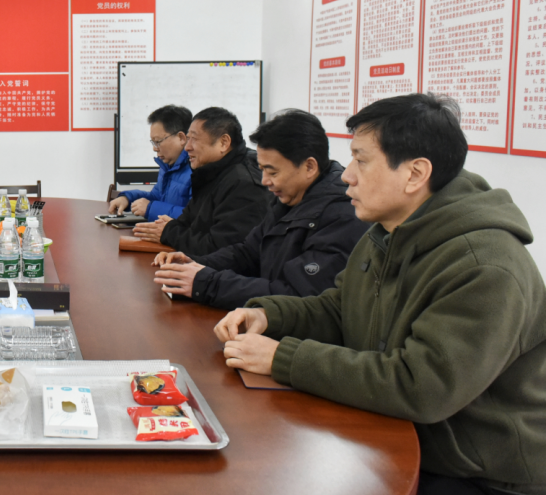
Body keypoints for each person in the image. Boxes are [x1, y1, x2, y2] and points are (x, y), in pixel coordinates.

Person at [216, 94, 546, 495]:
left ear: (415, 173)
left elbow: (420, 386)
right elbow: (340, 310)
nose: (346, 176)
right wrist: (269, 316)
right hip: (400, 433)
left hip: (479, 474)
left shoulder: (485, 268)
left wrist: (282, 358)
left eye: (361, 160)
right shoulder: (387, 233)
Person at [151, 109, 369, 309]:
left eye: (273, 172)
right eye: (262, 170)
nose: (265, 181)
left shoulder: (342, 215)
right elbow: (249, 252)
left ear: (309, 167)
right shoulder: (289, 197)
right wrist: (197, 263)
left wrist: (207, 283)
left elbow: (296, 295)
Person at [133, 107, 270, 255]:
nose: (187, 147)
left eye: (194, 139)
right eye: (188, 139)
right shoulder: (209, 171)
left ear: (223, 143)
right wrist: (170, 227)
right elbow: (190, 222)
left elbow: (223, 250)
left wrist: (170, 232)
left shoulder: (244, 183)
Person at [108, 105, 193, 221]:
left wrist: (150, 208)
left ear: (181, 138)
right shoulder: (167, 166)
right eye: (153, 142)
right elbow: (155, 197)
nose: (155, 148)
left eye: (158, 141)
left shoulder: (196, 169)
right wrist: (128, 198)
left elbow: (194, 217)